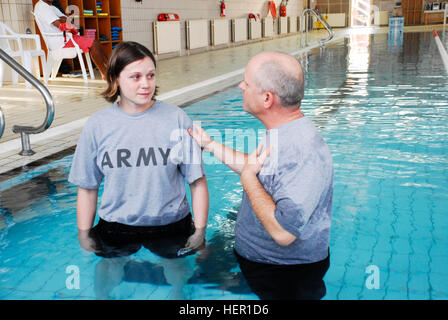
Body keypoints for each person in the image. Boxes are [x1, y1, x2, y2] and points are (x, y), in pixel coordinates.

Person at [189, 51, 334, 299]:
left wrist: (247, 181)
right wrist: (209, 144)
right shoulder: (286, 131)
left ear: (267, 98)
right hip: (267, 266)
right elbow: (263, 170)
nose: (241, 86)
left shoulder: (301, 152)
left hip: (284, 277)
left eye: (247, 83)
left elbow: (283, 232)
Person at [68, 41, 209, 263]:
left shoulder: (176, 118)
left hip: (170, 223)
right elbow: (87, 186)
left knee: (178, 281)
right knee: (106, 281)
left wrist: (200, 231)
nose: (146, 84)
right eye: (136, 77)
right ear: (115, 79)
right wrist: (83, 233)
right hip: (116, 225)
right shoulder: (98, 125)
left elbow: (197, 181)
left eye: (151, 75)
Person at [34, 0, 108, 78]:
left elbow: (69, 21)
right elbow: (60, 25)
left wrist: (60, 19)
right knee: (93, 42)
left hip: (67, 38)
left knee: (95, 40)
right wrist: (61, 20)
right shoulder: (42, 6)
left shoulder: (51, 7)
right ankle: (105, 73)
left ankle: (110, 68)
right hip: (61, 42)